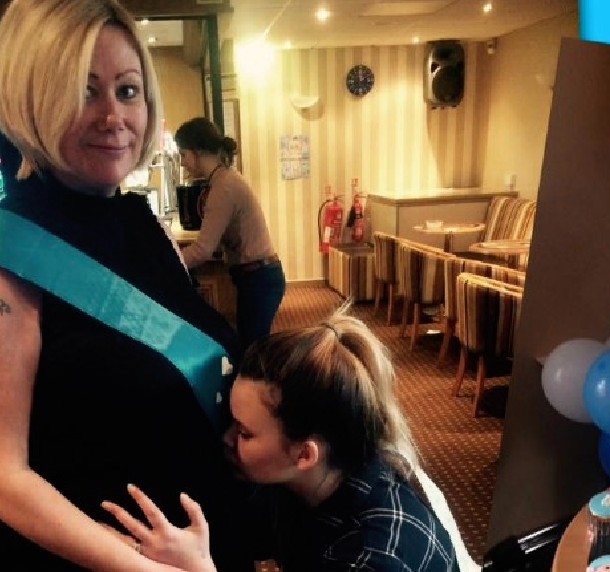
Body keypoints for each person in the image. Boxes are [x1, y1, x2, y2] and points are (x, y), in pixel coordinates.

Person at [0, 1, 267, 570]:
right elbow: (6, 479)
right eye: (83, 91)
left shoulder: (144, 224)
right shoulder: (11, 250)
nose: (112, 116)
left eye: (127, 91)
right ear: (32, 97)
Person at [103, 305, 462, 572]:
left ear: (305, 454)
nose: (226, 438)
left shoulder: (376, 556)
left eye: (245, 432)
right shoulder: (312, 481)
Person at [174, 117, 285, 350]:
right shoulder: (225, 179)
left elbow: (202, 250)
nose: (182, 163)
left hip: (259, 278)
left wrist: (167, 265)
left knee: (251, 353)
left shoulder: (223, 187)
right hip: (260, 276)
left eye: (183, 154)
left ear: (198, 151)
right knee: (251, 349)